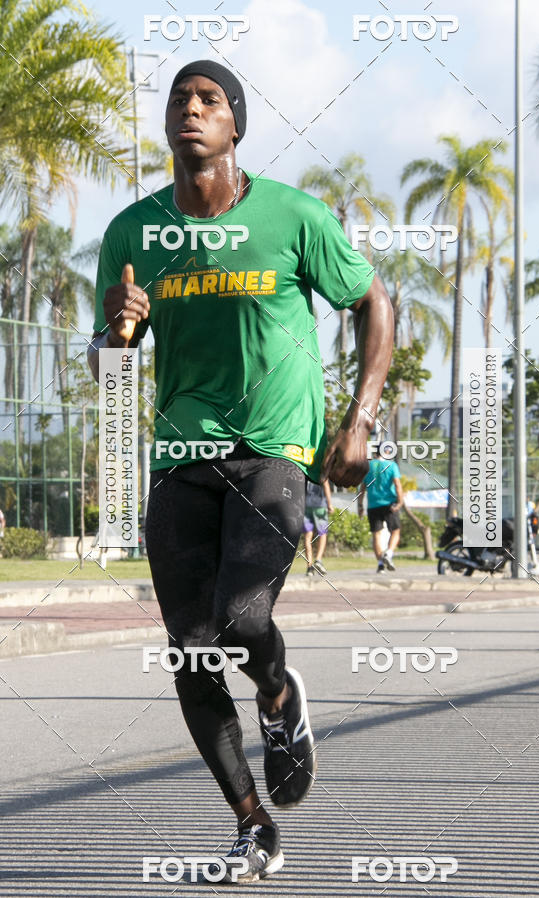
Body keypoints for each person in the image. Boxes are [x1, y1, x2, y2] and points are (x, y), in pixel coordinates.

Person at [87, 60, 394, 883]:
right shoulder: (132, 235)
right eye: (179, 99)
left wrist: (359, 420)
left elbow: (372, 301)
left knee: (240, 614)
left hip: (273, 451)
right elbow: (105, 366)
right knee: (189, 650)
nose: (191, 109)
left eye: (209, 99)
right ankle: (253, 824)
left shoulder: (293, 216)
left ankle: (279, 698)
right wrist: (116, 335)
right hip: (181, 459)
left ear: (235, 126)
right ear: (168, 126)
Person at [358, 448, 404, 572]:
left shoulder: (368, 466)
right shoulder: (392, 465)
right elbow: (398, 485)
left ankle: (380, 564)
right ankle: (388, 554)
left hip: (373, 505)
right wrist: (400, 502)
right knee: (395, 530)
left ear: (375, 453)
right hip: (389, 504)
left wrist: (360, 505)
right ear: (387, 453)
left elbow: (362, 488)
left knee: (376, 535)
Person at [304, 478, 334, 575]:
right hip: (320, 506)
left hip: (306, 505)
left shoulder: (306, 470)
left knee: (308, 536)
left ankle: (309, 567)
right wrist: (329, 505)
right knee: (322, 533)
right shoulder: (321, 469)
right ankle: (318, 560)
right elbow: (326, 485)